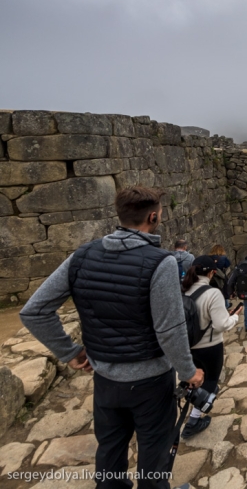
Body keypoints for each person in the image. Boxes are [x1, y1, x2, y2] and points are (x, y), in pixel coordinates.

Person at [19, 186, 203, 489]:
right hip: (150, 383)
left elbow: (34, 311)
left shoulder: (82, 256)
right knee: (154, 459)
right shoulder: (161, 262)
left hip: (105, 378)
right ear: (153, 216)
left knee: (110, 454)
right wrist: (189, 372)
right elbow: (169, 329)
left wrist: (71, 352)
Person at [180, 256, 239, 438]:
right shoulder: (212, 293)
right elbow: (221, 324)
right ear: (212, 272)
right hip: (209, 347)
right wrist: (235, 317)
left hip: (187, 345)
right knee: (210, 382)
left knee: (192, 379)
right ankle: (193, 421)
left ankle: (187, 412)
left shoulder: (182, 291)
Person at [208, 244, 231, 308]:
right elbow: (227, 265)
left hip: (211, 277)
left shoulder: (208, 258)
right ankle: (226, 305)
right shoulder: (223, 257)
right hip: (220, 276)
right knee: (224, 291)